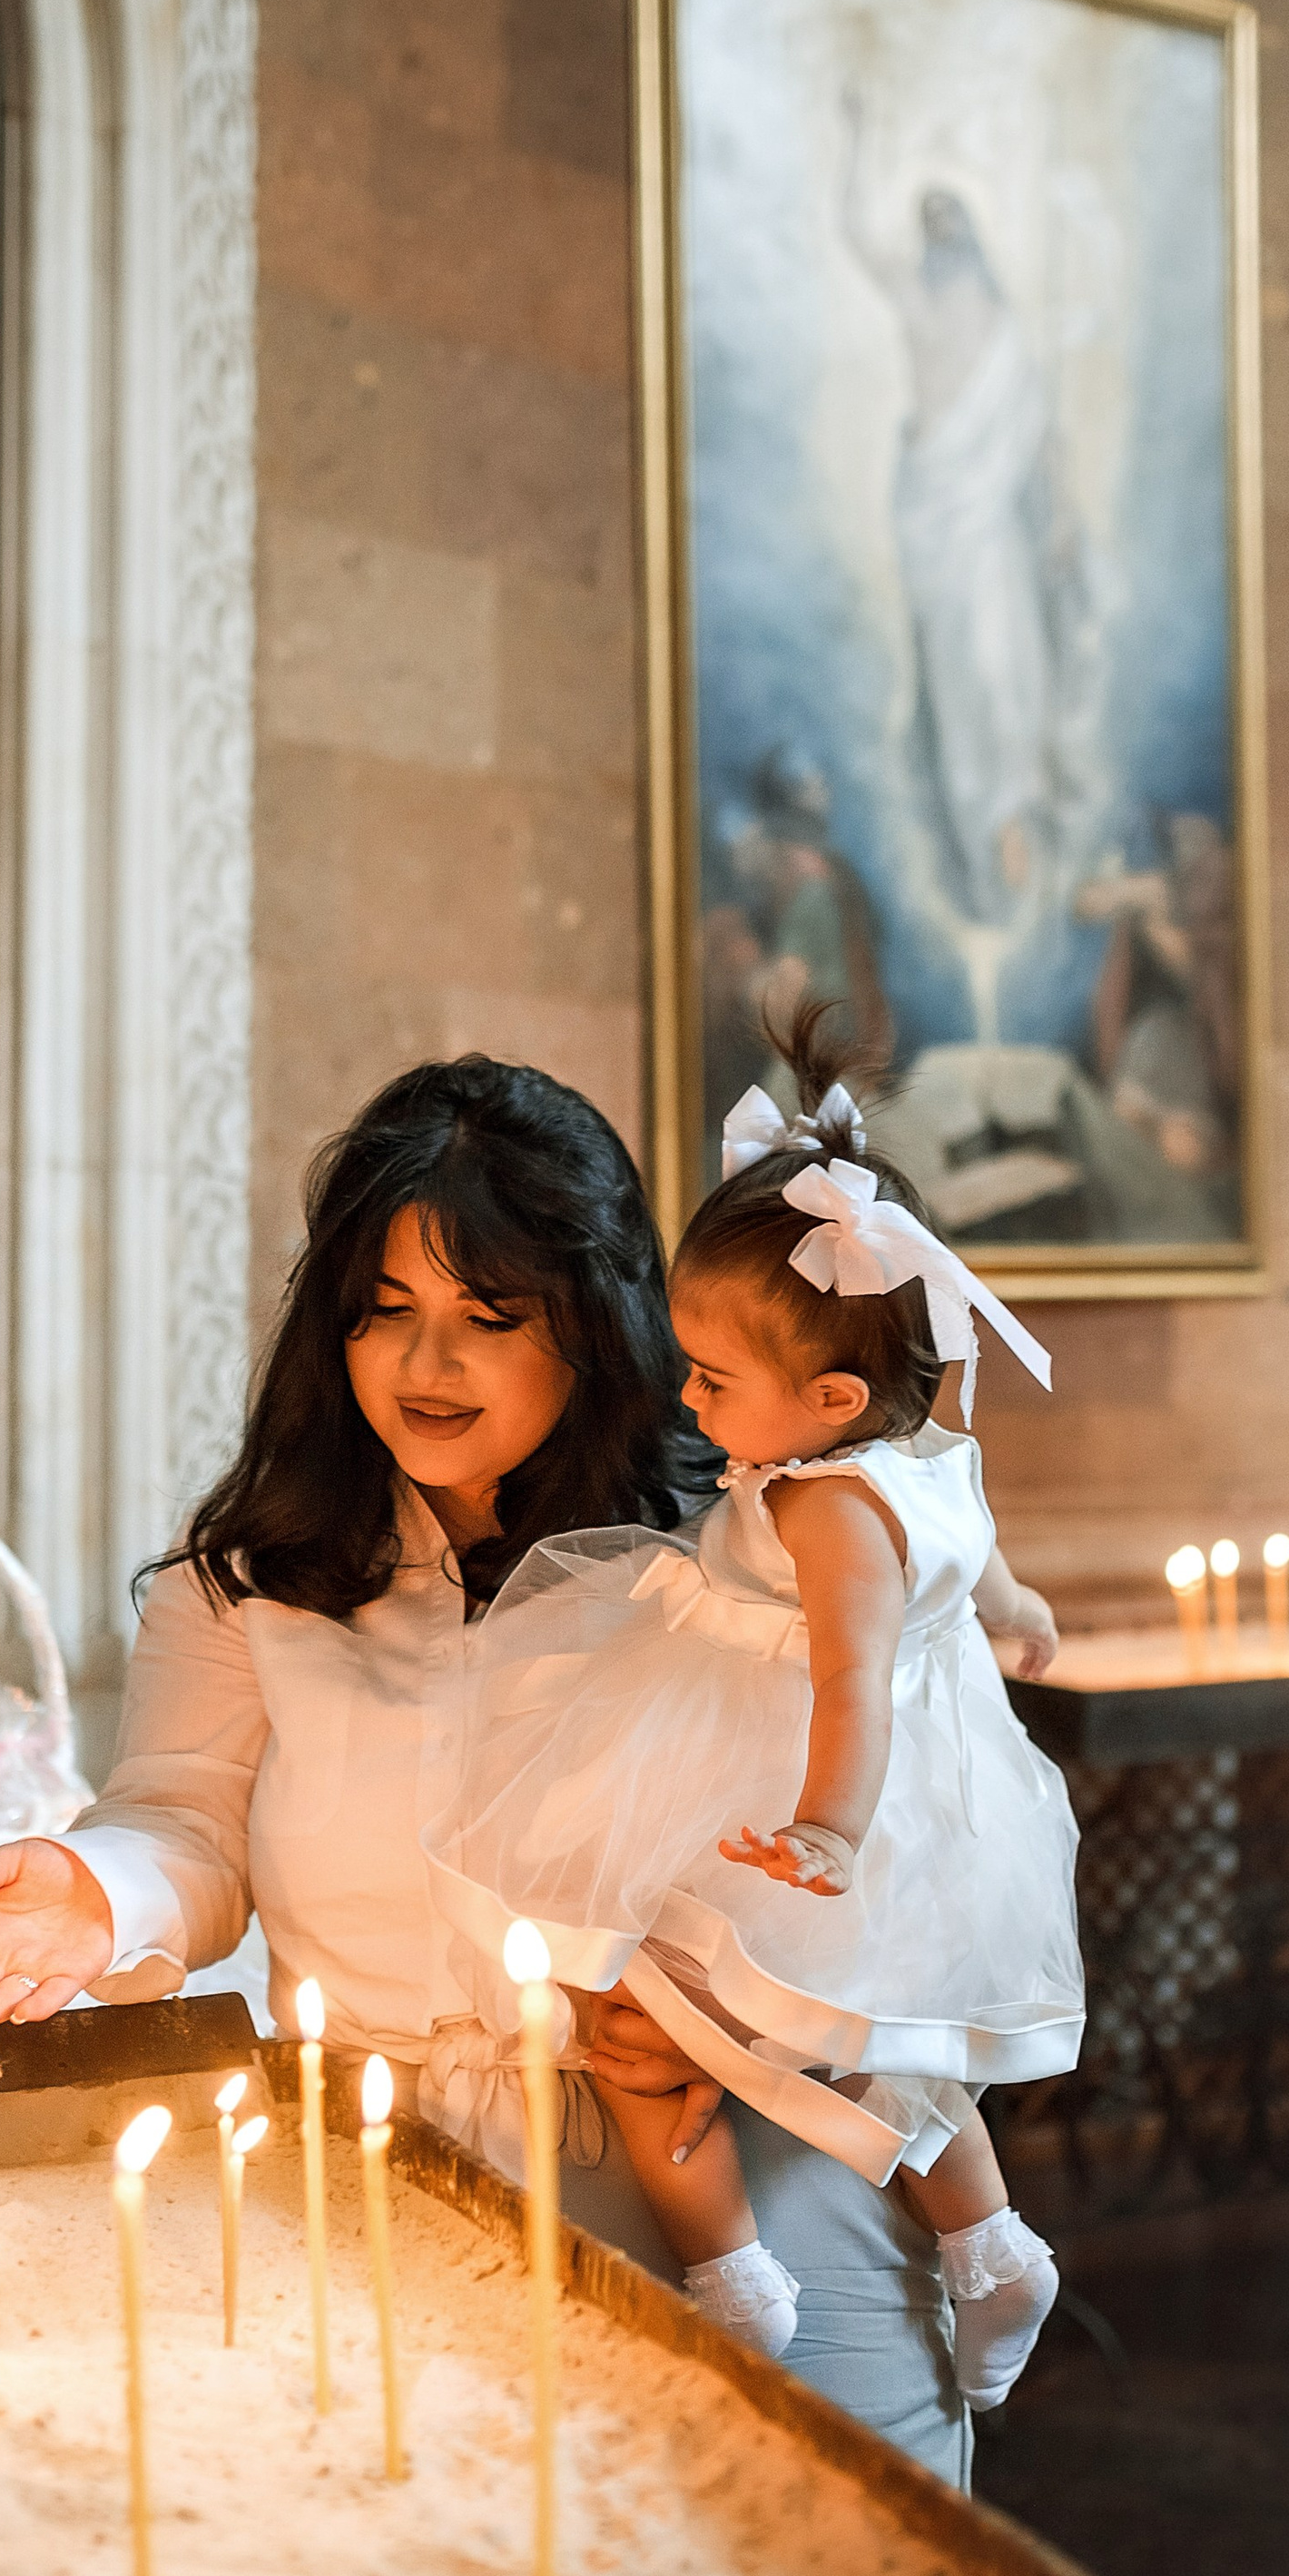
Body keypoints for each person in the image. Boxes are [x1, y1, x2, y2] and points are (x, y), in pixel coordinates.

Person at [0, 1056, 984, 2484]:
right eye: (384, 1309)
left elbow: (914, 1823)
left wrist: (744, 2011)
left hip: (735, 2161)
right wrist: (97, 1891)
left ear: (595, 1323)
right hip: (379, 2175)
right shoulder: (255, 1581)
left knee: (830, 2569)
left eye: (488, 1317)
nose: (425, 1365)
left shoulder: (749, 1545)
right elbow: (182, 1821)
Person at [425, 1012, 1084, 2410]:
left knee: (640, 2013)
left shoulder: (829, 1510)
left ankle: (733, 2275)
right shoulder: (925, 1453)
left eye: (713, 1380)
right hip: (902, 1808)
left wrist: (827, 1829)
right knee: (871, 2046)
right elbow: (979, 1564)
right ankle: (991, 2245)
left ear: (831, 1394)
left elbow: (849, 1678)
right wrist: (1019, 1610)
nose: (686, 1395)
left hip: (801, 1793)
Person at [840, 93, 1107, 939]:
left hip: (992, 535)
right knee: (964, 686)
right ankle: (991, 843)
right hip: (941, 533)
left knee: (1013, 672)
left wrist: (1062, 516)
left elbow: (1044, 438)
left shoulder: (1006, 334)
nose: (939, 238)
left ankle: (1016, 828)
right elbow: (859, 236)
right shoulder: (923, 312)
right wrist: (858, 139)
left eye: (948, 221)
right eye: (929, 226)